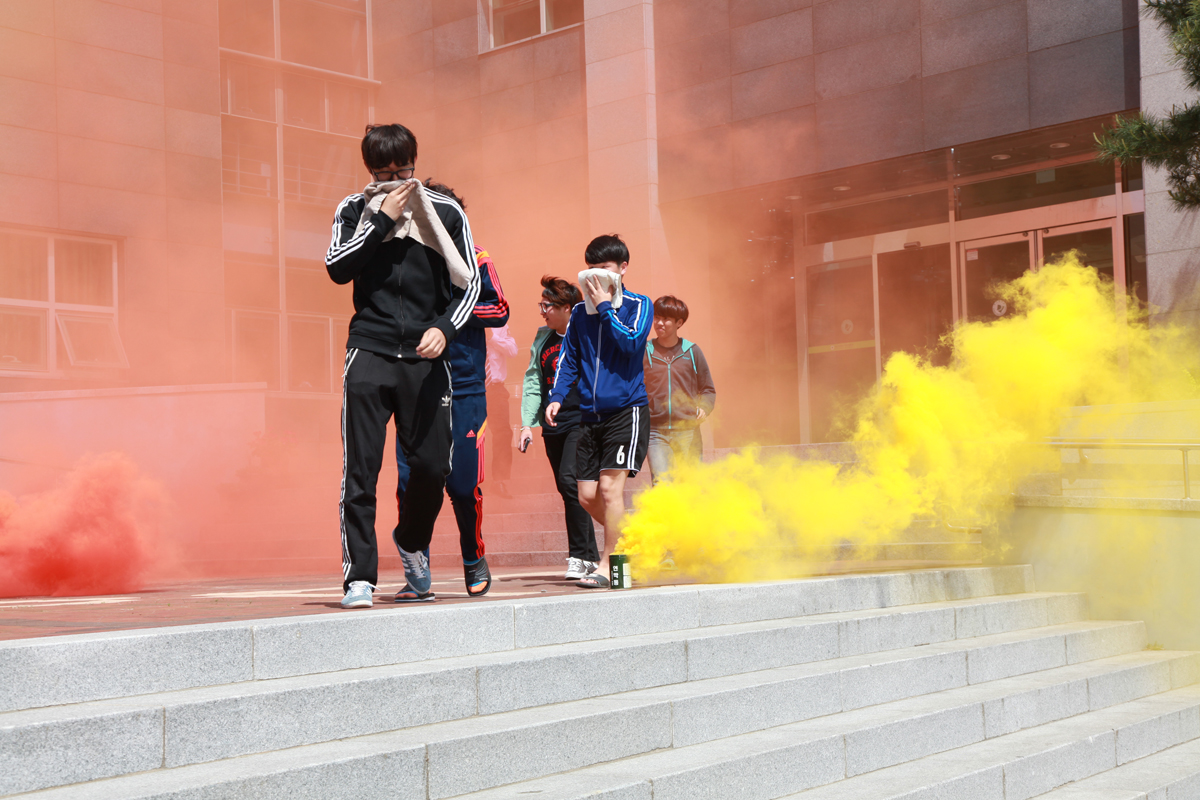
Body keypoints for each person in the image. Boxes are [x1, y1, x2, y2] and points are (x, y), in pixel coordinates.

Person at [325, 124, 480, 609]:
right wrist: (380, 221)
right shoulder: (354, 209)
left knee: (433, 466)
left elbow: (471, 284)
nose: (393, 181)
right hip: (368, 351)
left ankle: (411, 540)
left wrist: (445, 328)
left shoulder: (445, 211)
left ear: (415, 162)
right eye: (383, 173)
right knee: (361, 471)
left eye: (402, 171)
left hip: (426, 357)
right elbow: (336, 267)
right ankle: (359, 579)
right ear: (369, 170)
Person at [394, 181, 508, 599]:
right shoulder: (404, 253)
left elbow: (499, 309)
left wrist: (450, 316)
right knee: (410, 483)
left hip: (464, 387)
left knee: (462, 485)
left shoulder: (477, 256)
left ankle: (473, 556)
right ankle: (416, 567)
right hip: (414, 386)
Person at [545, 234, 652, 589]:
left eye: (604, 268)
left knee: (609, 489)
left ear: (622, 269)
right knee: (586, 496)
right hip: (590, 416)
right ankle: (632, 541)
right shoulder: (578, 313)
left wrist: (606, 308)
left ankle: (611, 566)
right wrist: (557, 395)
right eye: (590, 269)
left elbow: (631, 344)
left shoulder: (639, 305)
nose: (595, 276)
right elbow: (569, 359)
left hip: (627, 410)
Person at [519, 276, 599, 581]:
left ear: (567, 308)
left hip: (582, 419)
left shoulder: (585, 334)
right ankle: (589, 556)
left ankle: (579, 555)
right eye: (541, 305)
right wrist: (527, 424)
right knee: (568, 490)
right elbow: (533, 382)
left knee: (569, 480)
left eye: (547, 306)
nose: (543, 312)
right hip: (553, 424)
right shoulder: (543, 338)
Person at [645, 295, 716, 484]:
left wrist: (704, 408)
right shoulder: (645, 350)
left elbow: (708, 389)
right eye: (656, 317)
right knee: (662, 484)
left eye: (666, 319)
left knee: (690, 484)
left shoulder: (692, 351)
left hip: (688, 430)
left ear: (679, 322)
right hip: (655, 432)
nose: (659, 323)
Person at [485, 324, 518, 497]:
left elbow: (513, 350)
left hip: (496, 388)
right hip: (471, 388)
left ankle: (500, 481)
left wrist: (492, 337)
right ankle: (467, 481)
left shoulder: (499, 322)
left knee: (503, 433)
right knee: (469, 434)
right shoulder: (465, 318)